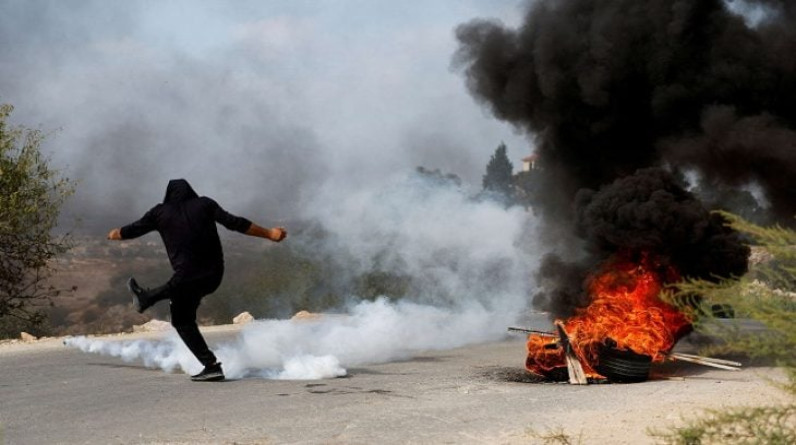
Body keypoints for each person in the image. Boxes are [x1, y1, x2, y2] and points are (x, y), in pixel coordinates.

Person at [107, 179, 287, 382]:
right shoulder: (205, 204)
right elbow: (235, 223)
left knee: (181, 287)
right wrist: (270, 233)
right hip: (213, 276)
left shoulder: (160, 212)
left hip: (186, 278)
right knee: (181, 319)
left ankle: (147, 297)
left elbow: (132, 229)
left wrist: (115, 234)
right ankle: (211, 367)